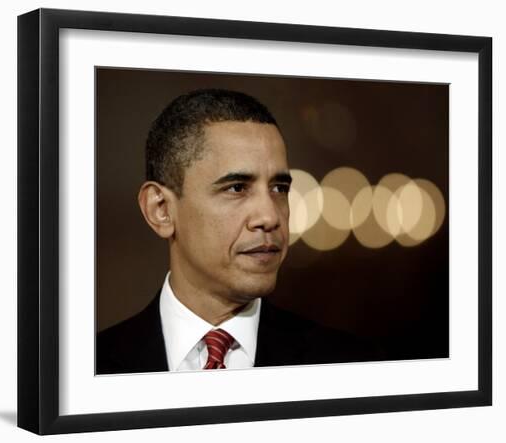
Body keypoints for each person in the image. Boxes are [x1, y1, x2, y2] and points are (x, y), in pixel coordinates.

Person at [96, 88, 379, 374]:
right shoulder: (82, 370)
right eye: (237, 188)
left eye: (279, 188)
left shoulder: (351, 366)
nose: (270, 217)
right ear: (161, 210)